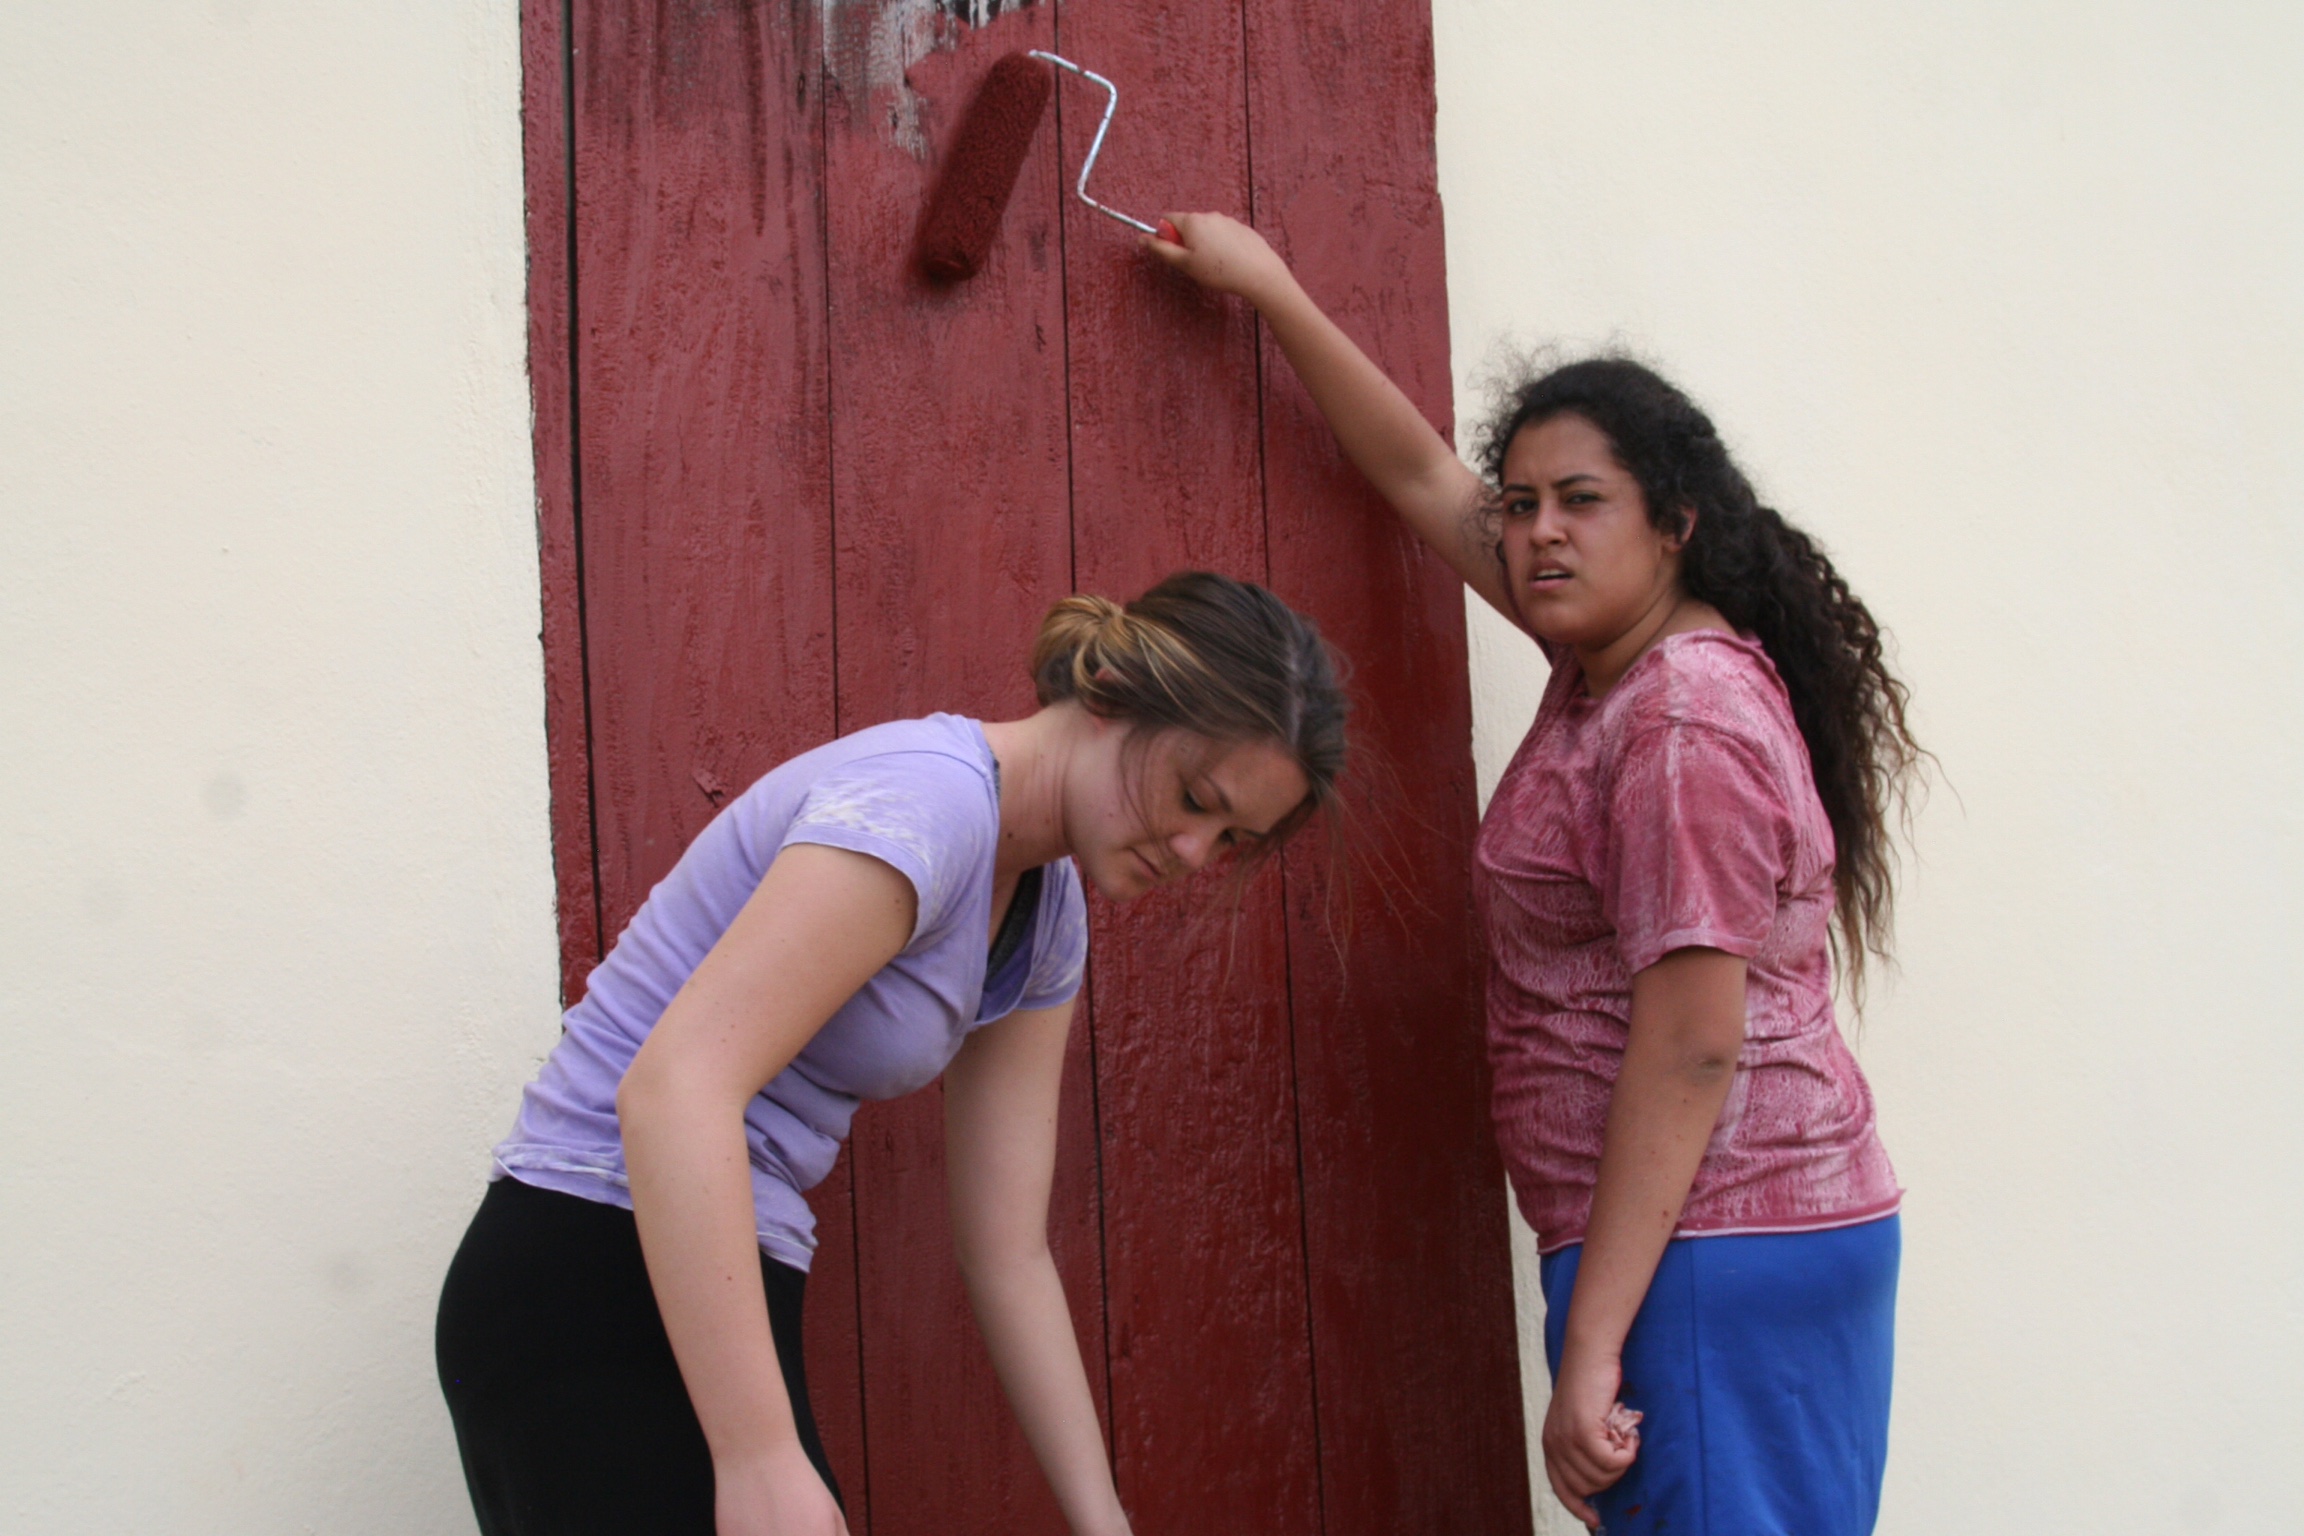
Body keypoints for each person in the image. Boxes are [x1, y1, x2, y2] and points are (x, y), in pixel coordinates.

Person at [1147, 216, 1921, 1534]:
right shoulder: (1615, 665)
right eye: (1522, 505)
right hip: (1716, 1249)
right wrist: (1270, 285)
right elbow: (1416, 475)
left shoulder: (1678, 725)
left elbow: (1690, 1046)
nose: (1536, 532)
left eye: (1581, 502)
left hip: (1711, 1260)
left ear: (1673, 525)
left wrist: (1592, 1345)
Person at [436, 571, 1347, 1536]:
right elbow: (674, 1090)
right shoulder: (928, 805)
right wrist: (758, 1456)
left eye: (1231, 837)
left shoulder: (1047, 917)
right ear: (1111, 689)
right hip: (590, 1262)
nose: (1197, 851)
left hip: (708, 1279)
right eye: (1195, 796)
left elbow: (1009, 1251)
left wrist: (1102, 1521)